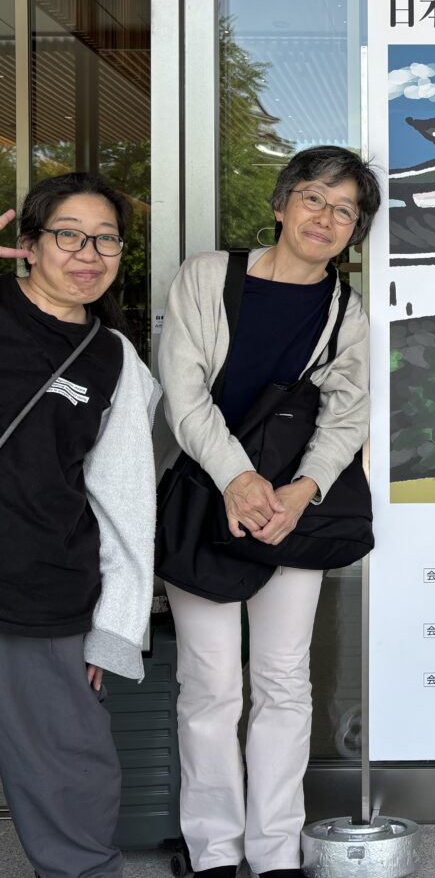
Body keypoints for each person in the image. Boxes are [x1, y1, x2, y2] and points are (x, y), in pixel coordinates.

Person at [158, 146, 381, 878]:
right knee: (211, 684)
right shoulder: (207, 277)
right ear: (282, 204)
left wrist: (302, 489)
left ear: (354, 231)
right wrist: (237, 477)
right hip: (208, 501)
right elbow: (183, 389)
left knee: (284, 682)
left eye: (345, 210)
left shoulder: (346, 310)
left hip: (291, 514)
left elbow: (349, 414)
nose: (327, 217)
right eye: (315, 198)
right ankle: (215, 850)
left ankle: (276, 850)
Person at [0, 173, 160, 878]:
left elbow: (125, 501)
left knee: (71, 771)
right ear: (29, 244)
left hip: (44, 592)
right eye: (68, 235)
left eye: (105, 239)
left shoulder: (112, 358)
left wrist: (115, 625)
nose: (88, 254)